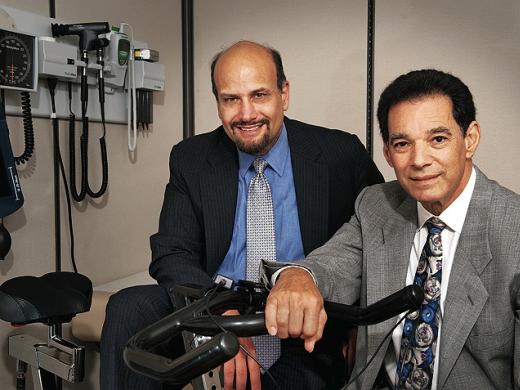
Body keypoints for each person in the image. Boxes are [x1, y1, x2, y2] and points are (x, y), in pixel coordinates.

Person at [100, 40, 383, 390]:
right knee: (128, 307)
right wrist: (220, 317)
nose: (246, 114)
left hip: (299, 320)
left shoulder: (341, 154)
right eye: (231, 99)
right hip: (214, 303)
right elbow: (172, 252)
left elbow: (377, 239)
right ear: (217, 103)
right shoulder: (191, 158)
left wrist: (361, 325)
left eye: (259, 95)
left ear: (284, 94)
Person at [265, 69, 520, 389]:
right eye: (402, 144)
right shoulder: (376, 205)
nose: (419, 160)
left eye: (437, 139)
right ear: (387, 153)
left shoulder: (514, 231)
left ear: (470, 139)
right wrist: (298, 276)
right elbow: (331, 264)